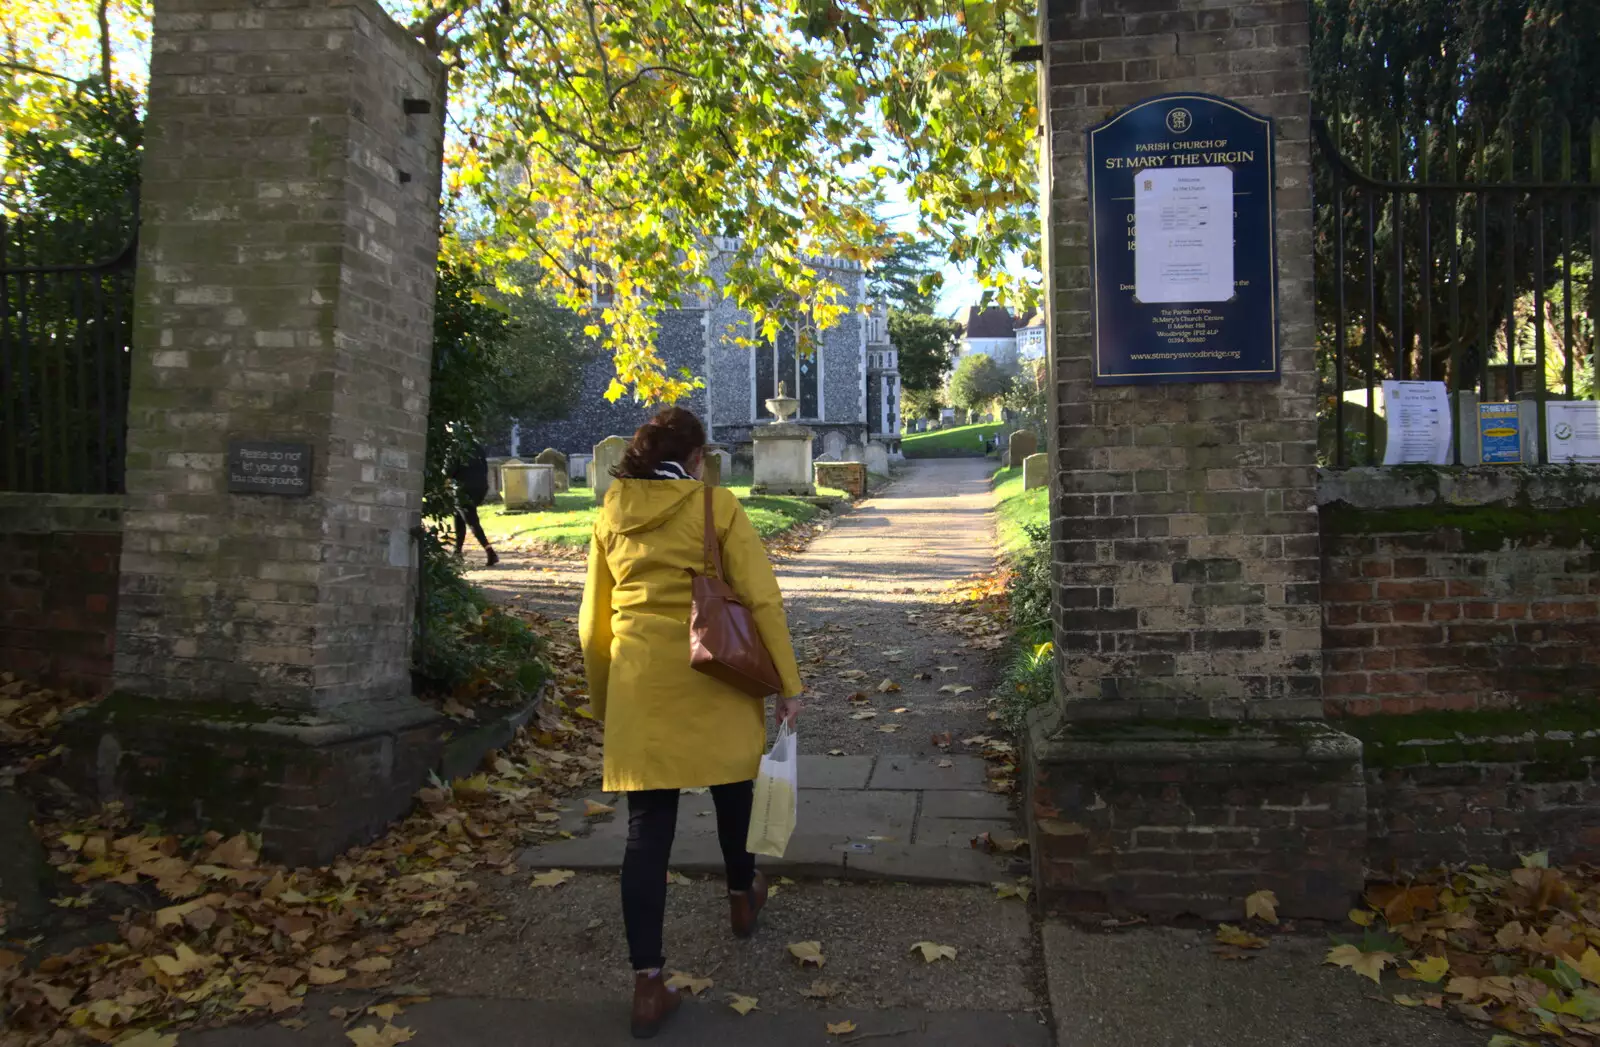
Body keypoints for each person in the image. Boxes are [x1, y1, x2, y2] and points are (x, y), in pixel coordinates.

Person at [578, 407, 803, 1039]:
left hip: (641, 682)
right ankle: (741, 895)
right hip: (718, 672)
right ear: (696, 458)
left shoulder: (609, 514)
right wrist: (788, 683)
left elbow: (593, 625)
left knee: (647, 832)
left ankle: (648, 983)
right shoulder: (716, 506)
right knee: (734, 789)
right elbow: (761, 597)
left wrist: (605, 702)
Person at [451, 443, 499, 566]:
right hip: (481, 487)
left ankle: (490, 552)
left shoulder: (454, 447)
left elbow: (450, 469)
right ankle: (457, 552)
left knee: (471, 520)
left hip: (464, 489)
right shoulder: (477, 446)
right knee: (459, 515)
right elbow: (484, 467)